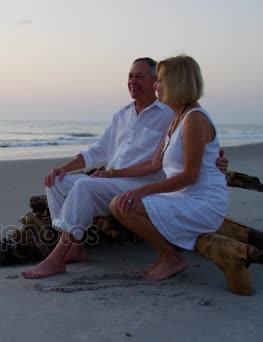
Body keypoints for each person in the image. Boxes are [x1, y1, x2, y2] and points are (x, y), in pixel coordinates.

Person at [22, 57, 227, 279]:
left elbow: (191, 163)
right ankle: (75, 247)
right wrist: (68, 168)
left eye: (149, 78)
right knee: (58, 183)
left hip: (158, 188)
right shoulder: (140, 115)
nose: (135, 81)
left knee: (85, 186)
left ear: (172, 82)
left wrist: (219, 161)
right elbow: (103, 152)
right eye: (130, 76)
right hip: (122, 183)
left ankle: (57, 257)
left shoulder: (175, 115)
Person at [109, 55, 228, 281]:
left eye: (160, 80)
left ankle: (171, 258)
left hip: (202, 202)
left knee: (124, 204)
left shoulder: (194, 118)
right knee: (121, 203)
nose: (155, 86)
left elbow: (189, 176)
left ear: (177, 83)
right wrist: (112, 173)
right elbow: (155, 164)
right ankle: (169, 255)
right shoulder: (176, 118)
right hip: (181, 197)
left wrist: (142, 190)